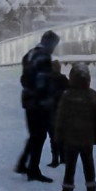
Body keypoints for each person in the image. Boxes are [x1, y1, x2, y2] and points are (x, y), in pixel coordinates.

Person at [15, 30, 59, 182]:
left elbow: (24, 78)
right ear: (50, 43)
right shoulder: (43, 56)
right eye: (54, 45)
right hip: (38, 102)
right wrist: (47, 100)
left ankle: (22, 164)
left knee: (34, 135)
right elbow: (43, 81)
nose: (54, 48)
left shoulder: (30, 54)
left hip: (28, 100)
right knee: (39, 136)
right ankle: (33, 170)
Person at [55, 63, 96, 191]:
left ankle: (67, 189)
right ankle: (91, 189)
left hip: (70, 138)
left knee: (70, 165)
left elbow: (61, 117)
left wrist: (58, 135)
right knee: (88, 163)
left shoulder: (67, 95)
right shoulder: (93, 95)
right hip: (87, 138)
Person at [46, 60, 69, 167]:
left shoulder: (47, 80)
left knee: (53, 137)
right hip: (62, 112)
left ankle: (55, 159)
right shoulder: (64, 79)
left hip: (51, 113)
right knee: (62, 136)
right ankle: (63, 158)